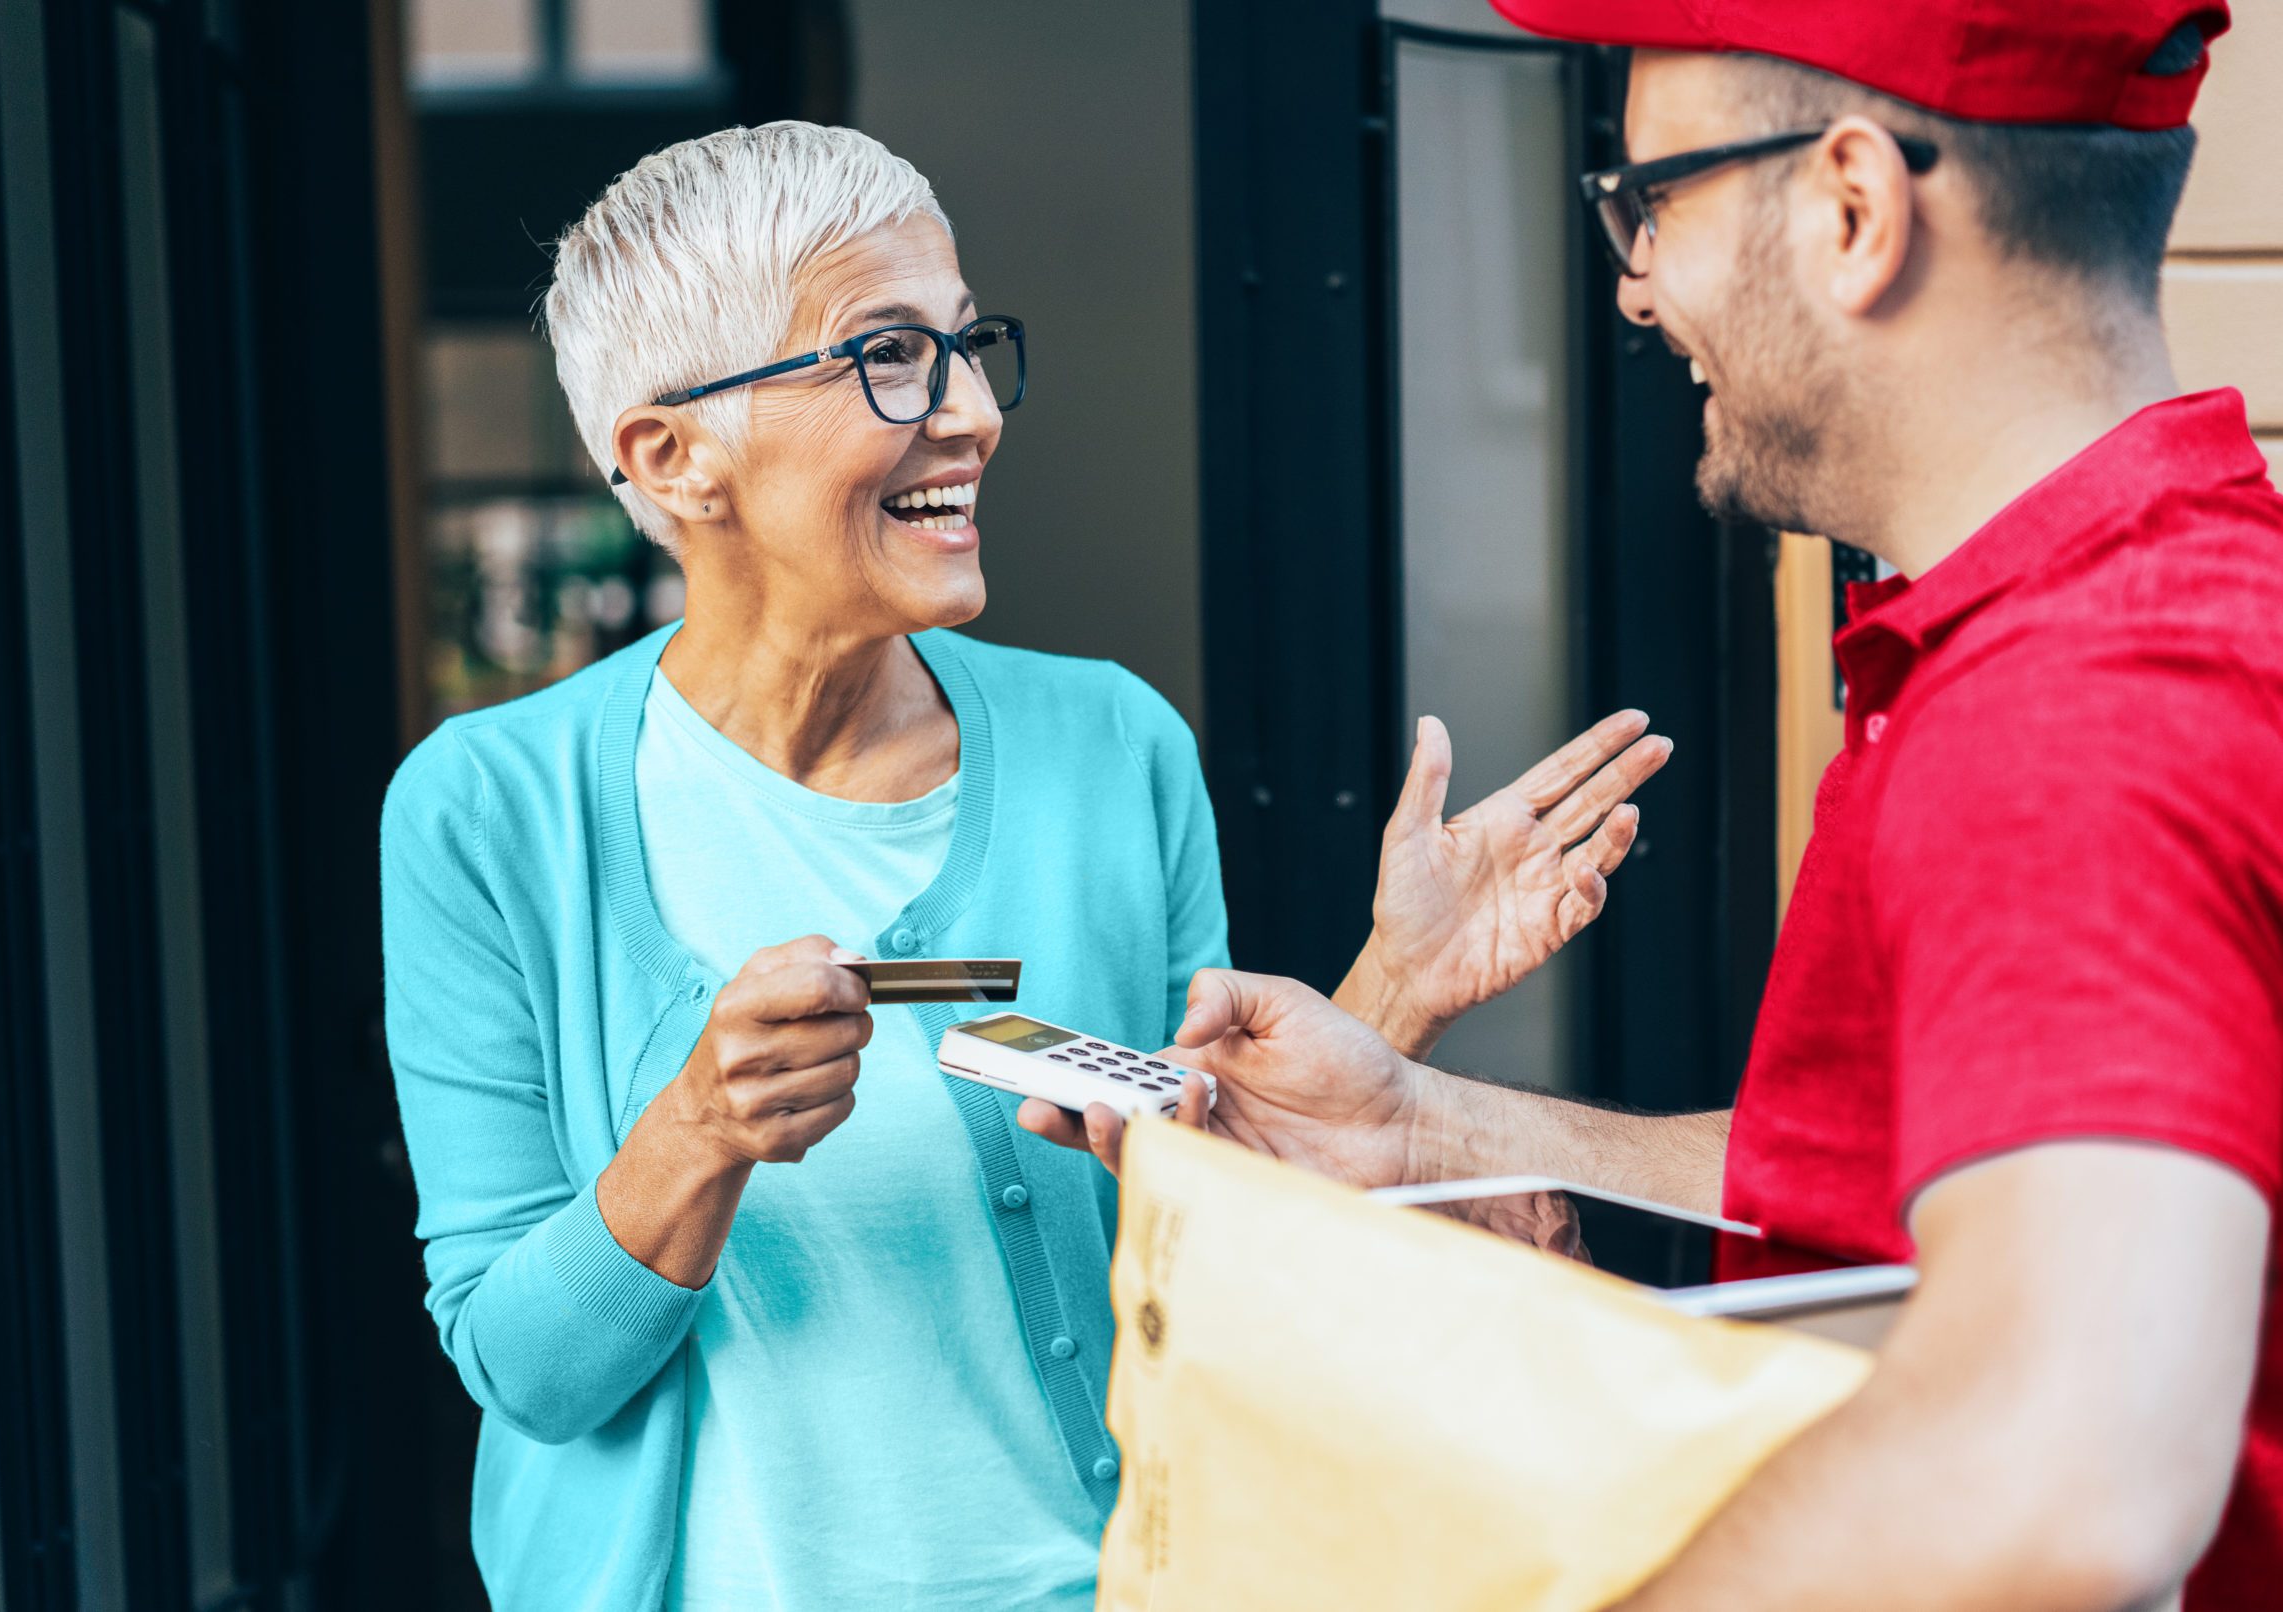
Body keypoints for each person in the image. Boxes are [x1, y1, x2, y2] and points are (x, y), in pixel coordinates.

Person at [1025, 5, 2283, 1608]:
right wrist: (1431, 1126)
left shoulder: (2086, 706)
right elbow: (1948, 1204)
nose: (1632, 283)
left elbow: (2062, 1470)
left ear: (1854, 210)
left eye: (1653, 200)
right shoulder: (2131, 613)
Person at [379, 123, 1666, 1611]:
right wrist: (695, 1136)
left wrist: (1398, 990)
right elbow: (525, 1373)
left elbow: (1213, 1217)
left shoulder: (1111, 747)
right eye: (887, 357)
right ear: (676, 459)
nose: (973, 414)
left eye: (968, 345)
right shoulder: (487, 814)